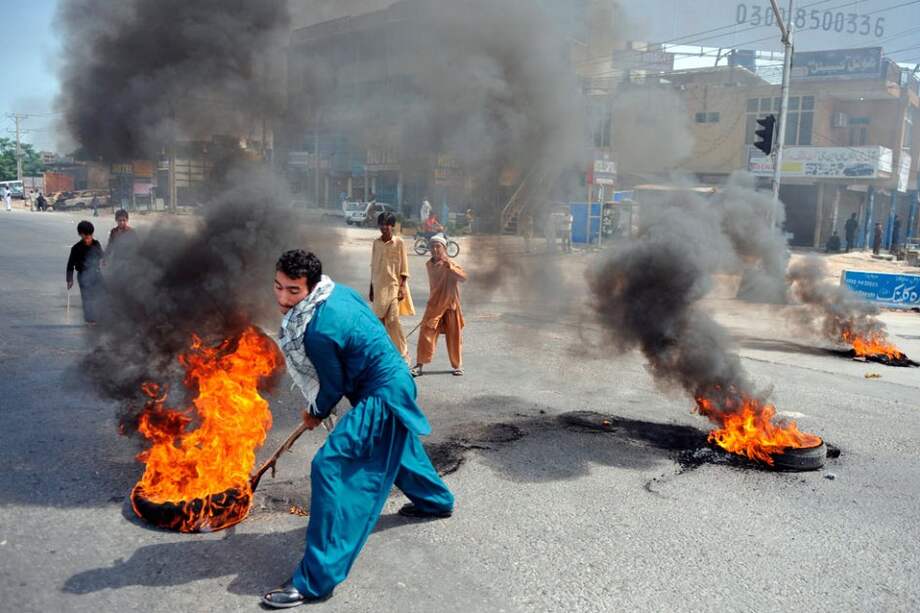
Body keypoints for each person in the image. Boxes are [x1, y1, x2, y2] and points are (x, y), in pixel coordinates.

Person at [262, 250, 454, 608]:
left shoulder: (317, 331)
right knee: (398, 446)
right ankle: (437, 501)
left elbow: (332, 387)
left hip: (383, 392)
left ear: (311, 287)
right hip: (392, 380)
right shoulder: (339, 292)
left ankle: (316, 580)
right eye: (278, 287)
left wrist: (315, 412)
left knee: (331, 466)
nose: (283, 298)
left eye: (293, 290)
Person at [411, 234, 467, 377]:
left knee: (454, 336)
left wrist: (451, 267)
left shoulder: (450, 263)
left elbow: (463, 277)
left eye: (438, 247)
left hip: (450, 305)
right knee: (425, 334)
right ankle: (419, 365)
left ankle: (457, 365)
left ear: (445, 248)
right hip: (434, 305)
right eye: (432, 247)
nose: (435, 250)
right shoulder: (429, 265)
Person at [370, 211, 415, 363]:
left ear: (392, 226)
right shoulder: (376, 243)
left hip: (394, 287)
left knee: (393, 321)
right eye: (381, 224)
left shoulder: (399, 243)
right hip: (378, 288)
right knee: (379, 324)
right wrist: (371, 288)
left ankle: (403, 354)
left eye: (387, 224)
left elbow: (404, 268)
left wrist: (402, 287)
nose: (384, 227)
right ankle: (384, 354)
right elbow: (373, 267)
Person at [66, 221, 106, 324]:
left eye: (90, 236)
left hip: (96, 273)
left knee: (101, 294)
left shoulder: (96, 244)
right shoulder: (76, 248)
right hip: (83, 276)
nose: (89, 239)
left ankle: (101, 315)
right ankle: (90, 319)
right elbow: (70, 265)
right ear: (81, 235)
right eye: (86, 236)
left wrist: (104, 260)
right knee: (87, 297)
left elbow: (102, 256)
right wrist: (69, 279)